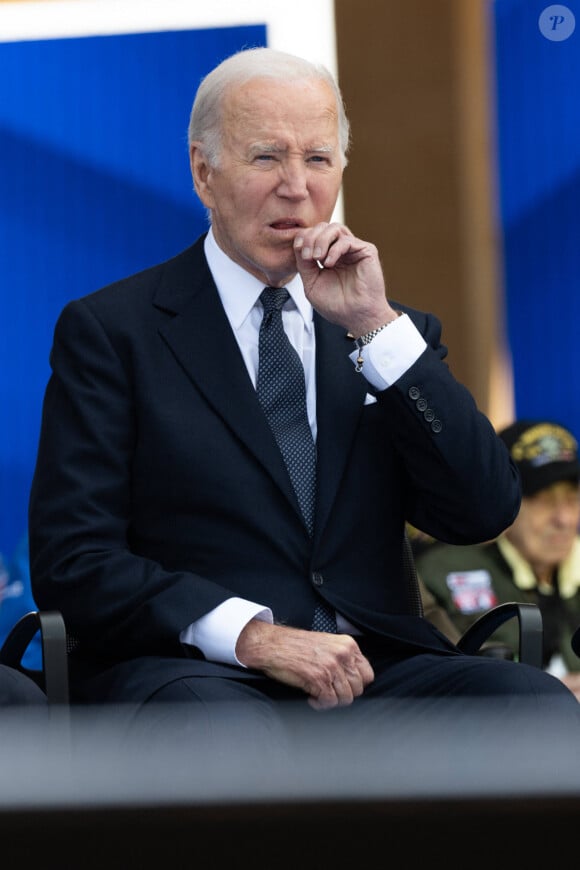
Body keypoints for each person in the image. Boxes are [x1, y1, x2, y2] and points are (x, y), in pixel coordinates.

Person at [27, 47, 579, 741]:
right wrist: (252, 635)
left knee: (535, 710)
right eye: (266, 158)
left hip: (375, 667)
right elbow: (74, 560)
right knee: (227, 737)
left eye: (318, 159)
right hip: (199, 670)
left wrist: (379, 332)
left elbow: (483, 509)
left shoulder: (386, 332)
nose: (296, 186)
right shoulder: (114, 332)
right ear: (204, 171)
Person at [416, 420, 580, 699]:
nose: (563, 519)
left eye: (572, 497)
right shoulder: (441, 574)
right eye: (542, 499)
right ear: (503, 498)